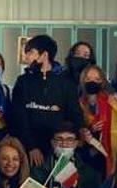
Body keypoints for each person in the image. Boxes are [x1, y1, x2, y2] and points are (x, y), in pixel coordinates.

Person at [8, 35, 84, 170]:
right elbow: (18, 117)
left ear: (44, 55)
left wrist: (64, 144)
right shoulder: (23, 82)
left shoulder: (66, 83)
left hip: (60, 151)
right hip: (29, 152)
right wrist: (31, 146)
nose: (26, 58)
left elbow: (75, 116)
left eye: (30, 53)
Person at [31, 121, 101, 188]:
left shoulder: (89, 173)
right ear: (52, 143)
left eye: (69, 140)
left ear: (76, 143)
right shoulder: (39, 171)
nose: (64, 144)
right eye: (59, 139)